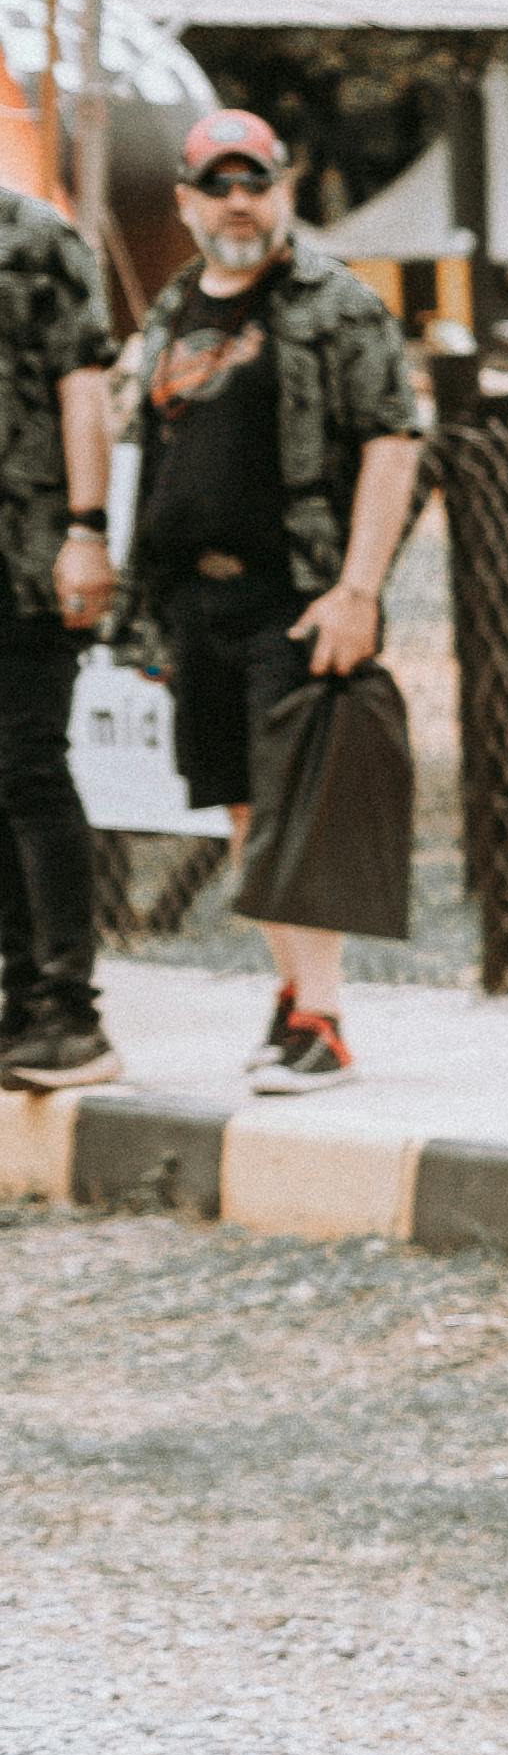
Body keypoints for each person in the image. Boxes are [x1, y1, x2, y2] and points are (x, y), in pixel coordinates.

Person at [115, 110, 417, 1097]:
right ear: (188, 201)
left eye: (257, 182)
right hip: (195, 606)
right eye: (220, 184)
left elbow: (391, 440)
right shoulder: (173, 310)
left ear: (284, 188)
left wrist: (358, 589)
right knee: (245, 808)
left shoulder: (334, 304)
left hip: (296, 594)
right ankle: (292, 1001)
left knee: (297, 810)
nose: (239, 202)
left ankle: (325, 1020)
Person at [2, 165, 119, 1085]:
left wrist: (87, 528)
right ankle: (20, 1003)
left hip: (27, 556)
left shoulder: (39, 239)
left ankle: (70, 1010)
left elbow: (86, 390)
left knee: (30, 766)